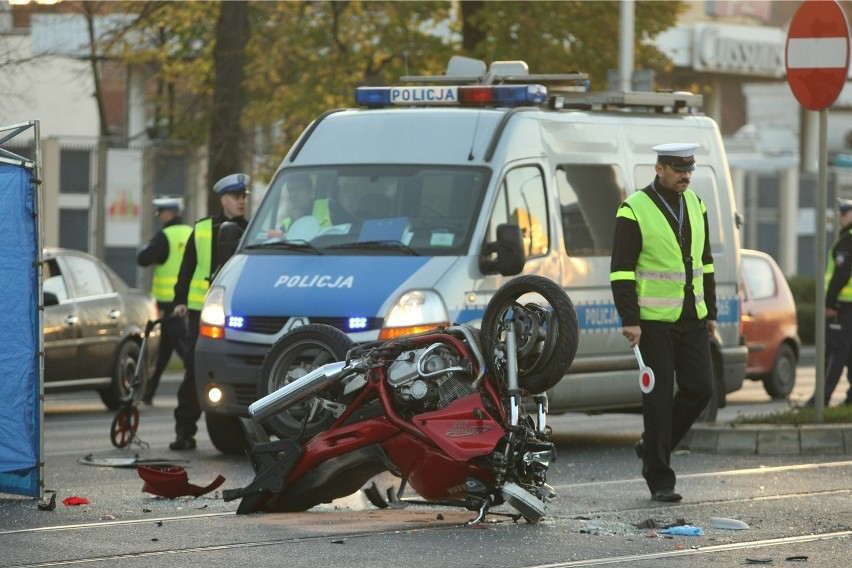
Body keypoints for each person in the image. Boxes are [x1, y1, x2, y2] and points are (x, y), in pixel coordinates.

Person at [610, 143, 716, 502]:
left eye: (690, 169)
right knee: (657, 399)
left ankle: (651, 445)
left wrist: (711, 311)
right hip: (652, 323)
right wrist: (630, 319)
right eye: (678, 169)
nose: (686, 175)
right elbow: (621, 270)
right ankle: (659, 477)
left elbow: (707, 263)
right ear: (659, 169)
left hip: (693, 318)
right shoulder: (633, 209)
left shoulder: (697, 204)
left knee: (701, 389)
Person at [169, 173, 251, 451]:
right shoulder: (203, 228)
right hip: (201, 311)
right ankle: (184, 432)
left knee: (236, 369)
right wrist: (179, 299)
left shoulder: (252, 231)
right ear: (224, 199)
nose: (242, 201)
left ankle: (244, 431)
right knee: (194, 370)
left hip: (236, 311)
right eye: (237, 197)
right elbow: (187, 266)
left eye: (244, 197)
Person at [136, 197, 192, 404]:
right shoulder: (190, 232)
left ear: (168, 213)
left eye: (161, 214)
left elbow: (143, 259)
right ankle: (147, 394)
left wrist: (147, 247)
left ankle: (199, 383)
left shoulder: (164, 235)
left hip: (169, 302)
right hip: (188, 299)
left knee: (184, 350)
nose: (160, 218)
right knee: (163, 352)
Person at [806, 198, 852, 407]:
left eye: (845, 212)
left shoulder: (847, 241)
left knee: (834, 352)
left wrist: (830, 302)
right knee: (849, 353)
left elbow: (840, 275)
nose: (841, 217)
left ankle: (820, 400)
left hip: (842, 306)